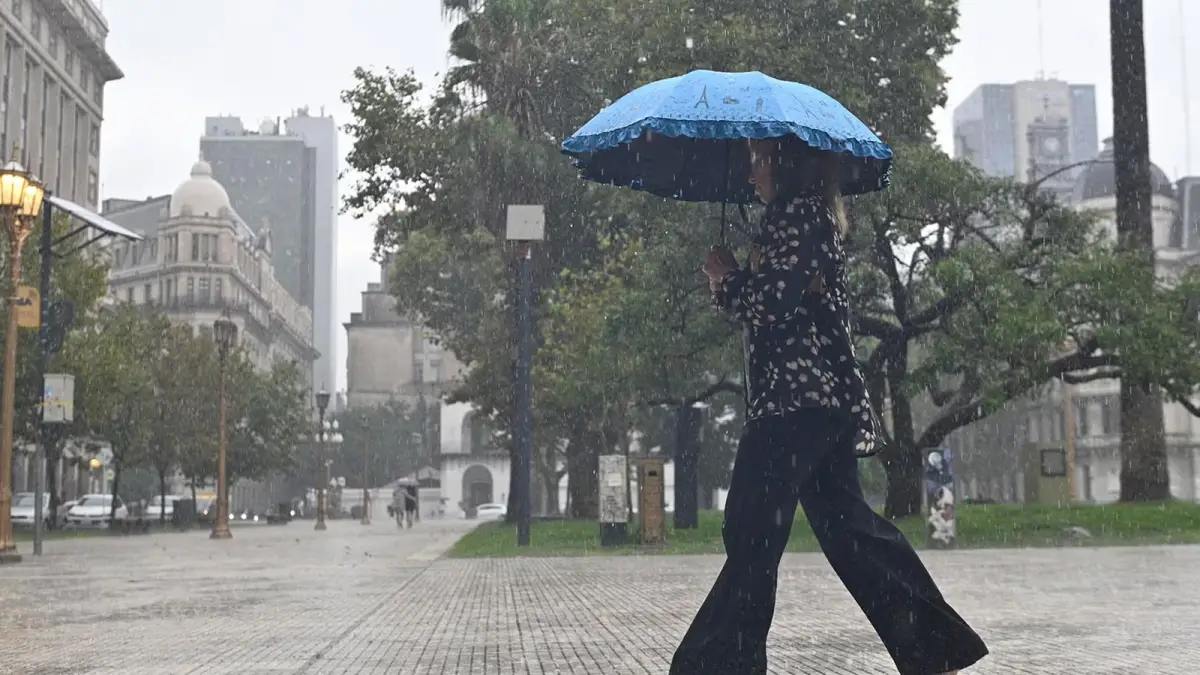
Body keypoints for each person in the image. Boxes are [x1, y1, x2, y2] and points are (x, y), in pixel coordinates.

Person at [669, 137, 988, 675]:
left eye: (757, 160)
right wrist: (737, 281)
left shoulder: (796, 216)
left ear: (782, 163)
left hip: (796, 407)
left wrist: (726, 280)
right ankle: (933, 647)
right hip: (818, 404)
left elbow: (772, 304)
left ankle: (718, 664)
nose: (751, 174)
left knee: (753, 532)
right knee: (848, 531)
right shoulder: (803, 218)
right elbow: (781, 301)